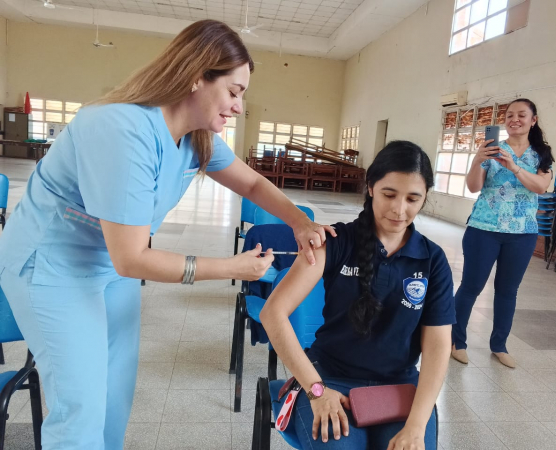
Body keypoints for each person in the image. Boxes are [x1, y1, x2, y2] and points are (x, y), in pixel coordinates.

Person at [0, 20, 334, 450]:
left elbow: (250, 184)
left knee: (114, 394)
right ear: (197, 74)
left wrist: (299, 221)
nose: (237, 107)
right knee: (79, 404)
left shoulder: (197, 136)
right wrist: (231, 267)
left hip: (105, 264)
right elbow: (133, 259)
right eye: (233, 91)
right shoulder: (123, 128)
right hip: (51, 266)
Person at [261, 141, 455, 450]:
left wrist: (417, 426)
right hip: (329, 379)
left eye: (413, 198)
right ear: (370, 187)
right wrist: (316, 391)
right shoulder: (334, 242)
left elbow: (437, 346)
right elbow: (273, 313)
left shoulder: (432, 260)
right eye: (389, 194)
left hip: (400, 387)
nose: (399, 209)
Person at [451, 98, 554, 368]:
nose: (514, 119)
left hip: (522, 232)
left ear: (533, 120)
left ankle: (499, 345)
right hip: (484, 228)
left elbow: (541, 187)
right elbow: (474, 187)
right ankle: (456, 340)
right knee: (471, 286)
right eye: (509, 115)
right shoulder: (492, 148)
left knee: (508, 290)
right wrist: (477, 161)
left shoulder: (540, 154)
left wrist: (515, 167)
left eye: (521, 115)